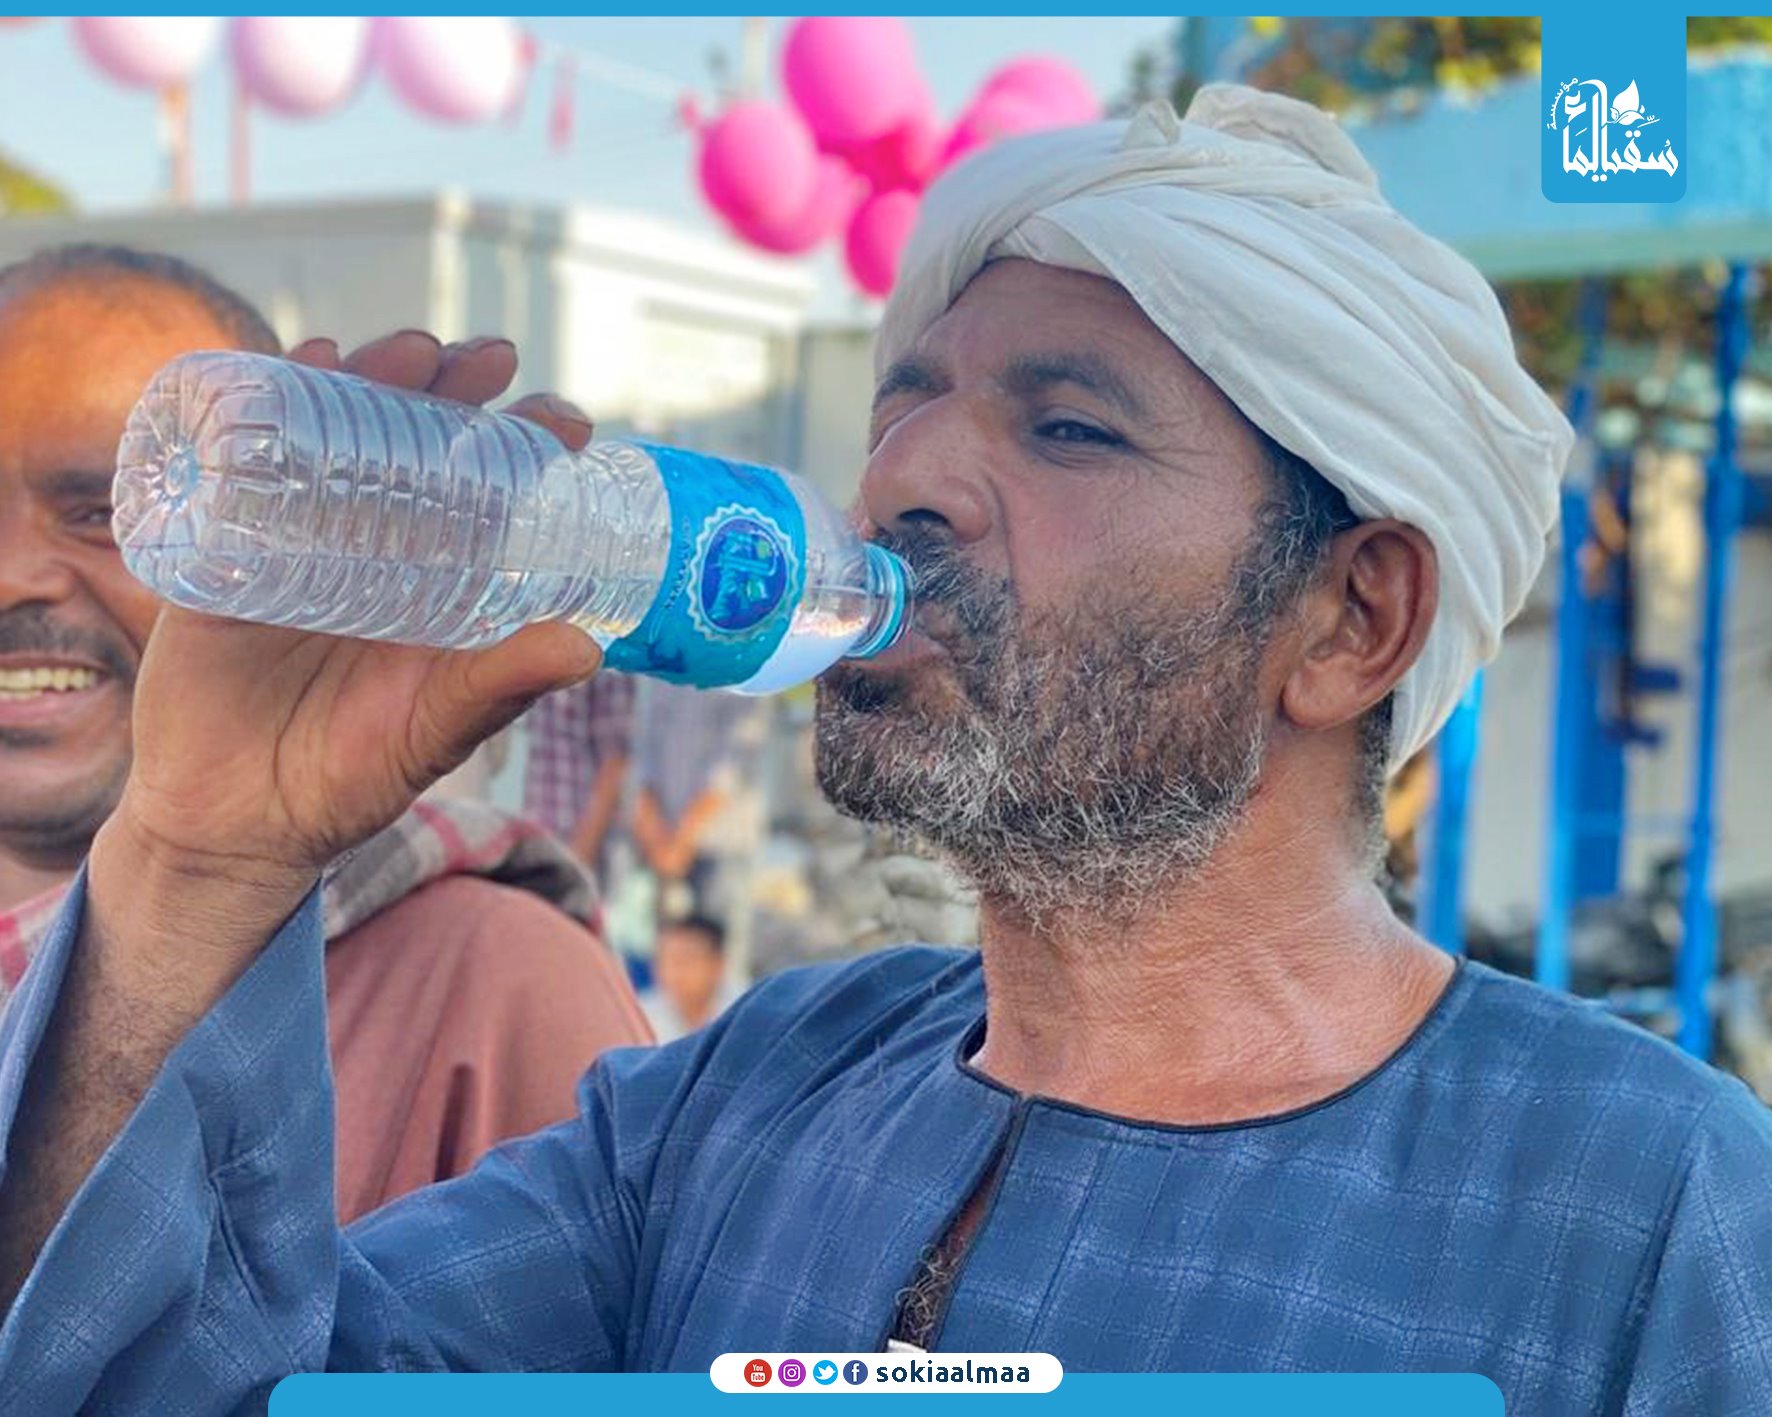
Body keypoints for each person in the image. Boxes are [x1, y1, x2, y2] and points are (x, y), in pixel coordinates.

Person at [1, 91, 1769, 1414]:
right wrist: (202, 852)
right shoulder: (733, 1103)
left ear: (1349, 619)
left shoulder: (1641, 1199)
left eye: (1066, 428)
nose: (904, 478)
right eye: (906, 401)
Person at [0, 244, 651, 1223]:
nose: (11, 575)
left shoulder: (488, 979)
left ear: (299, 536)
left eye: (109, 510)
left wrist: (200, 866)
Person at [521, 674, 636, 886]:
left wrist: (579, 859)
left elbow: (615, 760)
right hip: (512, 837)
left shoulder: (608, 664)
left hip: (570, 843)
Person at [640, 914, 736, 1043]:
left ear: (718, 965)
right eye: (668, 960)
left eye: (687, 960)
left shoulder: (742, 1014)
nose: (675, 972)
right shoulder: (643, 1017)